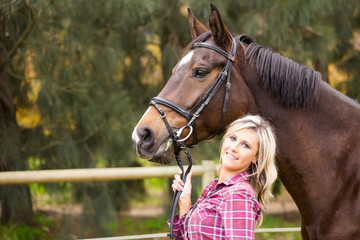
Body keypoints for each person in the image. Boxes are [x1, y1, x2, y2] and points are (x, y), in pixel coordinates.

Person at [170, 114, 278, 239]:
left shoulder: (239, 194)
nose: (233, 148)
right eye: (233, 138)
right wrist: (184, 200)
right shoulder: (217, 189)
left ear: (256, 157)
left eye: (245, 145)